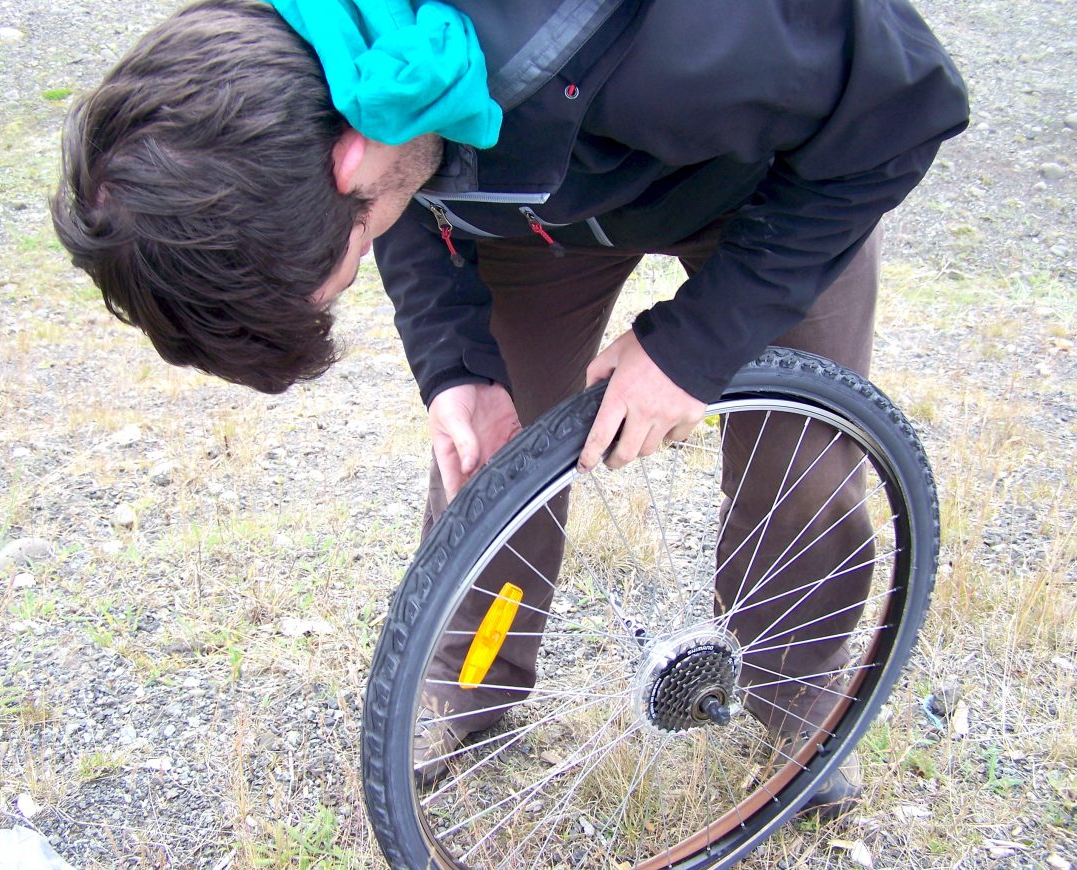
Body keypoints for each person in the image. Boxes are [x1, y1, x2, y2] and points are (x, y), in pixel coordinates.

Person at [51, 0, 969, 819]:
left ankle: (795, 695)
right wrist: (454, 365)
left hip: (768, 183)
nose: (356, 268)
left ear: (352, 156)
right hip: (528, 204)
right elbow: (398, 199)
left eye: (346, 252)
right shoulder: (335, 59)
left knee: (803, 468)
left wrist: (696, 345)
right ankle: (475, 698)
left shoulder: (702, 32)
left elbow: (903, 105)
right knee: (489, 468)